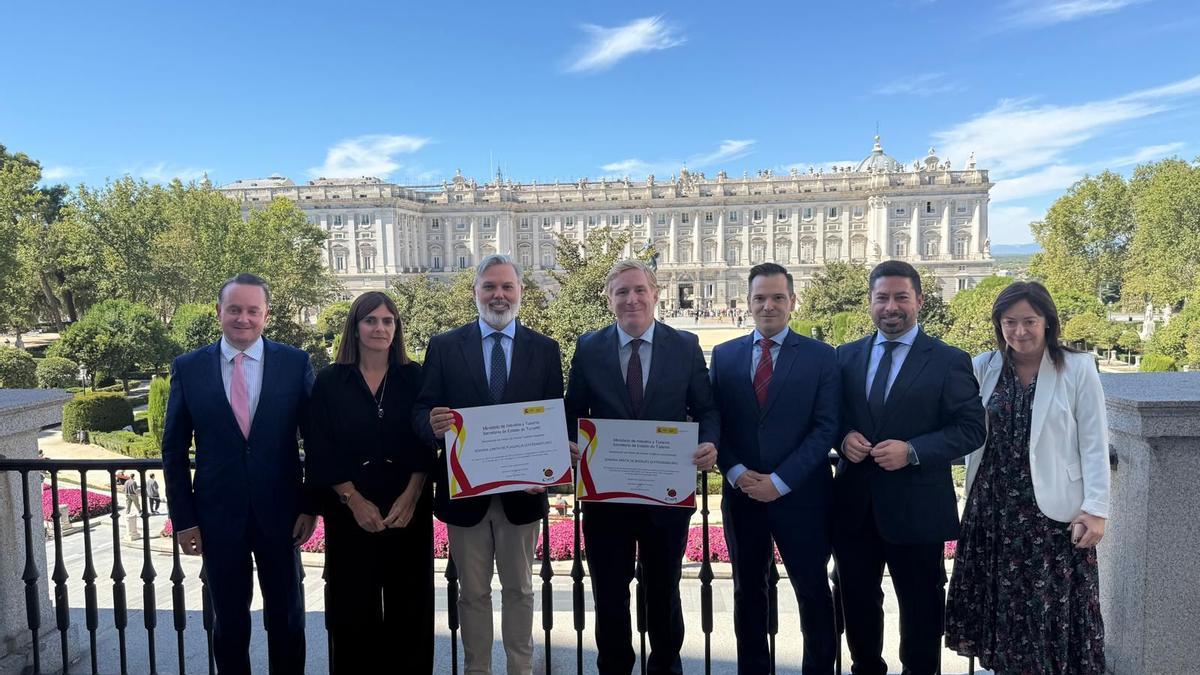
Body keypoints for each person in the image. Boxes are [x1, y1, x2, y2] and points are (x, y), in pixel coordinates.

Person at [414, 254, 570, 675]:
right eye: (490, 287)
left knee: (520, 590)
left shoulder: (545, 348)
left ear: (520, 292)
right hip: (465, 497)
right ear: (476, 292)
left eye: (507, 287)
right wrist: (431, 424)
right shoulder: (445, 346)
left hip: (523, 495)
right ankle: (476, 670)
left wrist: (549, 469)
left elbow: (554, 417)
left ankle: (521, 669)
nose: (498, 296)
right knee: (472, 594)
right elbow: (422, 408)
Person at [565, 259, 719, 675]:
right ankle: (614, 669)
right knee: (610, 596)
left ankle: (665, 668)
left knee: (663, 594)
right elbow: (573, 410)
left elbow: (706, 409)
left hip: (665, 497)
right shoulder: (590, 346)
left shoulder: (685, 345)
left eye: (638, 290)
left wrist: (710, 443)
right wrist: (570, 443)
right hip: (607, 499)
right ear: (610, 299)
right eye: (621, 292)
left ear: (655, 293)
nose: (631, 299)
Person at [946, 281, 1109, 673]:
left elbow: (1094, 442)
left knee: (1050, 616)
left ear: (1048, 322)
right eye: (1009, 322)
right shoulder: (984, 366)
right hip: (993, 509)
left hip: (1052, 515)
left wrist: (1096, 509)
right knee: (1003, 614)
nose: (1019, 331)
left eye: (1029, 321)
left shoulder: (1077, 368)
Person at [832, 260, 985, 675]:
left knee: (920, 612)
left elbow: (972, 429)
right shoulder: (844, 357)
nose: (891, 306)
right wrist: (843, 438)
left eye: (901, 297)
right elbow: (828, 419)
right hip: (855, 509)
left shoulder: (949, 360)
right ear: (870, 302)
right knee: (858, 606)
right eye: (882, 298)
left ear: (919, 299)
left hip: (917, 511)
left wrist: (913, 450)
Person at [161, 273, 316, 675]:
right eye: (234, 309)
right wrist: (185, 519)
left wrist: (309, 506)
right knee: (228, 623)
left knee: (287, 618)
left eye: (252, 310)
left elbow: (318, 441)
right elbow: (173, 449)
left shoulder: (295, 363)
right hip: (216, 519)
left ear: (266, 314)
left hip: (282, 517)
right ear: (219, 312)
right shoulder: (189, 368)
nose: (243, 318)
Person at [709, 263, 840, 674]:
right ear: (746, 303)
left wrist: (781, 482)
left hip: (802, 496)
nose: (769, 306)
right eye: (760, 298)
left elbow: (826, 427)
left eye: (777, 297)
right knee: (749, 592)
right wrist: (734, 471)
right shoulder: (725, 355)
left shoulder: (821, 356)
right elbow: (715, 422)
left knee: (813, 590)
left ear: (792, 302)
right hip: (742, 493)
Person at [306, 291, 435, 674]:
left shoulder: (416, 376)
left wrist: (412, 495)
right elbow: (319, 446)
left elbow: (428, 441)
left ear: (397, 328)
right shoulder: (330, 381)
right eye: (371, 320)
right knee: (351, 616)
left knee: (411, 615)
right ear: (355, 328)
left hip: (407, 512)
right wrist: (352, 499)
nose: (380, 328)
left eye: (388, 321)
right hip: (349, 514)